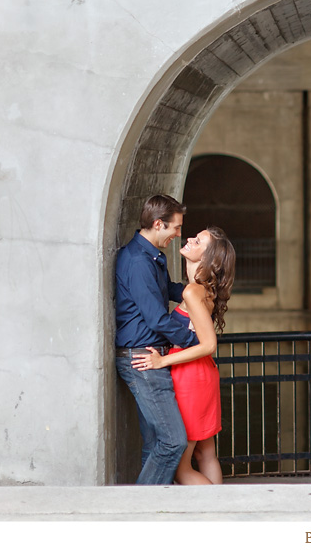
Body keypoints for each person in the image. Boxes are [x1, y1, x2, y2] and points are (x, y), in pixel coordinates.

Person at [131, 226, 236, 485]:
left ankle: (217, 514)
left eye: (198, 240)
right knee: (205, 453)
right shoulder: (199, 289)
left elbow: (209, 344)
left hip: (191, 376)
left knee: (180, 468)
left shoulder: (193, 292)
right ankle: (221, 512)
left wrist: (161, 361)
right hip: (201, 373)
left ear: (208, 258)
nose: (189, 238)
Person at [114, 194, 198, 485]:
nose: (178, 235)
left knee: (153, 446)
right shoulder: (138, 261)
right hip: (143, 360)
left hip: (147, 357)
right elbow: (157, 320)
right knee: (173, 441)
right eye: (175, 228)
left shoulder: (151, 256)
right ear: (158, 224)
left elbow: (166, 292)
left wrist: (197, 292)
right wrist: (194, 341)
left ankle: (143, 514)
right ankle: (141, 511)